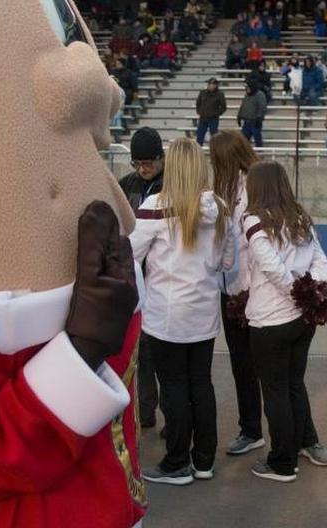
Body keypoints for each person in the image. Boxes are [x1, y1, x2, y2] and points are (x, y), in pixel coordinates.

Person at [132, 137, 235, 486]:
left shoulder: (156, 204)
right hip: (203, 311)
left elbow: (129, 252)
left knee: (174, 386)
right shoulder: (219, 206)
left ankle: (176, 462)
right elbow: (227, 260)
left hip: (167, 313)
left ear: (172, 167)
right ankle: (203, 460)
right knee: (200, 383)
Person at [242, 160, 327, 482]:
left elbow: (271, 267)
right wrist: (309, 289)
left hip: (270, 321)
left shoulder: (253, 220)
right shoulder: (298, 218)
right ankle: (302, 443)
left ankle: (282, 462)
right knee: (293, 384)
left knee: (276, 391)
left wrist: (299, 290)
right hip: (302, 320)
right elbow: (322, 263)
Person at [210, 131, 266, 458]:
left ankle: (264, 430)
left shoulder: (248, 188)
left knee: (257, 366)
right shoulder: (225, 190)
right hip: (233, 288)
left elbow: (243, 245)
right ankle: (252, 428)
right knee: (245, 364)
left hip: (248, 290)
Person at [118, 128, 166, 430]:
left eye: (147, 163)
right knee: (141, 351)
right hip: (134, 278)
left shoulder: (174, 184)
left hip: (161, 278)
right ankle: (145, 412)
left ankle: (171, 413)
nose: (142, 169)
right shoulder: (127, 185)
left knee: (163, 354)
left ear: (161, 159)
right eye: (137, 163)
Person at [195, 77, 227, 145]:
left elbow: (223, 107)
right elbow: (198, 103)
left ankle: (215, 151)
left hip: (213, 119)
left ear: (216, 85)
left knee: (214, 137)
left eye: (212, 84)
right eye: (209, 84)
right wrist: (199, 111)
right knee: (199, 136)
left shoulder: (220, 94)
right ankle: (198, 152)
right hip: (203, 118)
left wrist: (216, 113)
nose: (210, 86)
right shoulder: (202, 92)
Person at [237, 81, 268, 147]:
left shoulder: (260, 95)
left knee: (257, 139)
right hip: (246, 121)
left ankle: (259, 152)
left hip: (255, 121)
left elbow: (262, 108)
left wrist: (259, 118)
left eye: (248, 88)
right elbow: (243, 106)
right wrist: (239, 116)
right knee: (243, 140)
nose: (247, 89)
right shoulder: (247, 95)